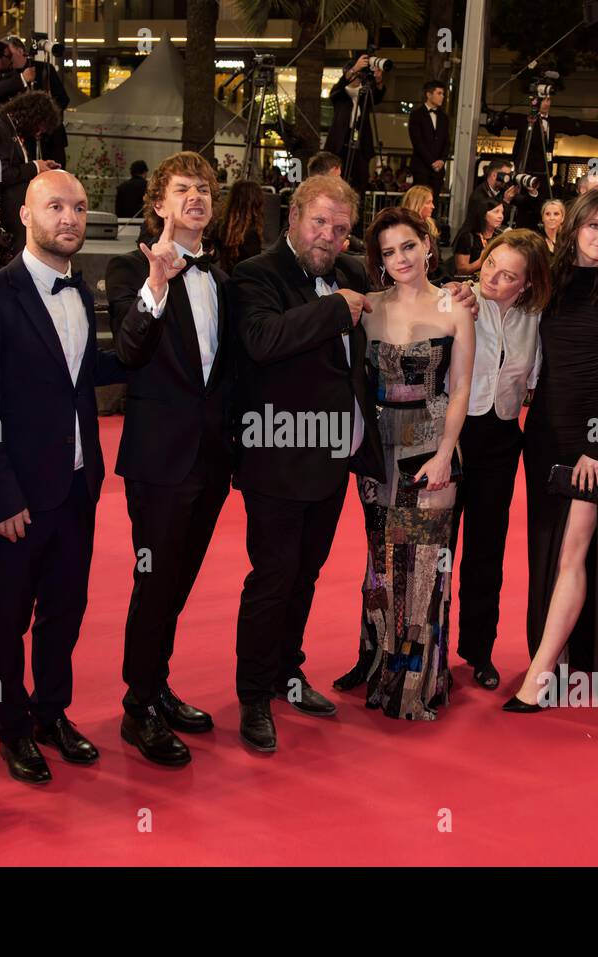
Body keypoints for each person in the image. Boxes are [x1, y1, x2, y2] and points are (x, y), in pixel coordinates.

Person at [229, 174, 476, 750]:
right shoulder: (257, 275)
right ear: (292, 217)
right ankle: (252, 694)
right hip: (275, 455)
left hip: (338, 461)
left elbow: (413, 297)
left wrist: (463, 293)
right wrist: (338, 308)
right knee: (271, 578)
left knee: (307, 576)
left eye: (340, 229)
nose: (329, 235)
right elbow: (262, 340)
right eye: (319, 222)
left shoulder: (351, 276)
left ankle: (289, 674)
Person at [0, 170, 126, 785]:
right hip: (17, 498)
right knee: (7, 618)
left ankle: (52, 712)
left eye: (78, 208)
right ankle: (11, 726)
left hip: (77, 486)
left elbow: (84, 373)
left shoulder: (80, 293)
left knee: (66, 609)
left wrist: (154, 310)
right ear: (26, 215)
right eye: (55, 206)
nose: (69, 218)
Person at [104, 152, 232, 766]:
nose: (196, 197)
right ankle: (137, 708)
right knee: (154, 583)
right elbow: (129, 351)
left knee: (178, 583)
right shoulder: (129, 268)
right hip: (159, 460)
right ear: (159, 203)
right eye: (182, 188)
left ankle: (157, 686)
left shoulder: (221, 275)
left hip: (211, 459)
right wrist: (157, 284)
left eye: (205, 189)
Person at [505, 187, 598, 712]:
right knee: (545, 547)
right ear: (574, 227)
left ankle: (540, 674)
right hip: (544, 432)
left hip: (594, 440)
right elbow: (501, 304)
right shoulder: (550, 281)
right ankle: (563, 655)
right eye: (594, 227)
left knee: (574, 551)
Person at [325, 206, 474, 720]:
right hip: (378, 452)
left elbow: (459, 391)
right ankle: (377, 664)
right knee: (382, 567)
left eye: (408, 245)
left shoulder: (455, 306)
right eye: (388, 251)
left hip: (431, 446)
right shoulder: (368, 307)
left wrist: (443, 454)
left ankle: (416, 682)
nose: (400, 257)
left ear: (427, 244)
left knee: (425, 567)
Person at [447, 230, 550, 690]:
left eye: (508, 275)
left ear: (527, 284)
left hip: (502, 438)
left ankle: (479, 650)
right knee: (436, 550)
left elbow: (538, 378)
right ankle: (423, 651)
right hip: (448, 436)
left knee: (486, 549)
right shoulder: (459, 299)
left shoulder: (537, 319)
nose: (492, 277)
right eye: (490, 265)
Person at [0, 90, 63, 257]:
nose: (39, 132)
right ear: (33, 116)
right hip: (9, 216)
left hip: (19, 213)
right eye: (40, 125)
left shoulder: (13, 131)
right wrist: (34, 167)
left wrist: (42, 167)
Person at [324, 54, 385, 191]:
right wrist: (354, 68)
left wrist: (379, 80)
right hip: (341, 144)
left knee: (360, 183)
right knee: (337, 181)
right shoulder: (340, 93)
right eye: (355, 74)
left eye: (360, 74)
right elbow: (337, 88)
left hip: (361, 144)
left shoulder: (365, 93)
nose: (358, 77)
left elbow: (378, 97)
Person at [6, 36, 69, 166]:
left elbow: (62, 99)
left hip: (51, 137)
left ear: (19, 50)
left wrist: (46, 120)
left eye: (9, 51)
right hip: (25, 139)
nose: (6, 56)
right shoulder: (8, 77)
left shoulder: (45, 69)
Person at [213, 178, 266, 273]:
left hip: (223, 278)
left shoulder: (221, 226)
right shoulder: (251, 234)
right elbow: (253, 268)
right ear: (255, 202)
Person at [408, 80, 449, 195]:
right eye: (439, 93)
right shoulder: (416, 115)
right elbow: (417, 142)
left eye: (443, 94)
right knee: (419, 200)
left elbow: (447, 142)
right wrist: (432, 162)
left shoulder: (444, 117)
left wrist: (442, 160)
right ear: (429, 94)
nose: (442, 96)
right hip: (421, 168)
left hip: (438, 171)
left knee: (434, 202)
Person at [453, 197, 504, 276]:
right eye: (496, 212)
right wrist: (482, 260)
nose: (501, 216)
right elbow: (461, 270)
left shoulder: (499, 236)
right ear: (483, 214)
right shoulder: (467, 237)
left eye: (502, 212)